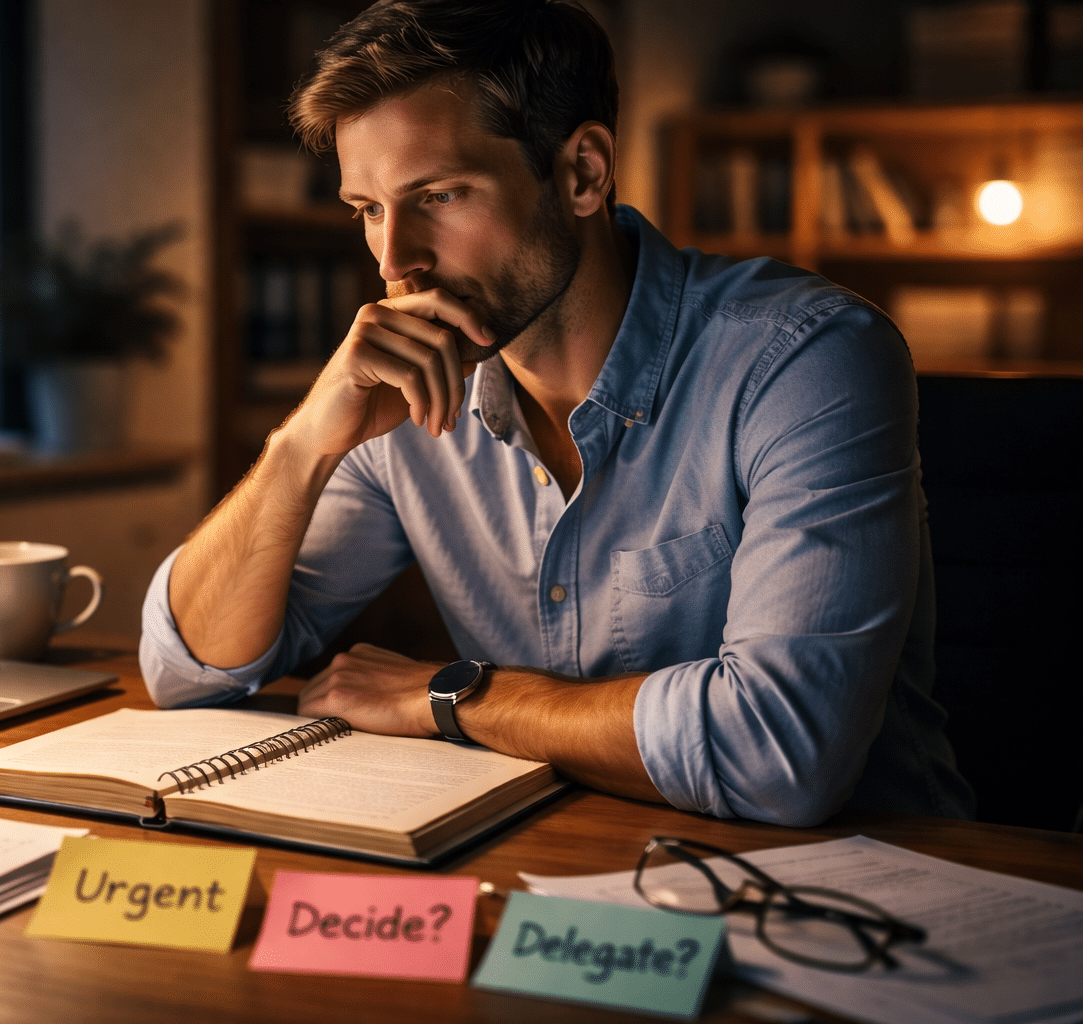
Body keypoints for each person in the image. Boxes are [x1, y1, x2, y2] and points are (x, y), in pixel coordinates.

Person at [140, 0, 974, 827]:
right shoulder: (407, 391)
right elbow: (190, 668)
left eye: (440, 195)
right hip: (569, 869)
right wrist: (300, 449)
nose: (395, 259)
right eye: (367, 208)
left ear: (581, 172)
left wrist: (459, 697)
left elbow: (781, 755)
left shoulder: (803, 358)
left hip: (870, 899)